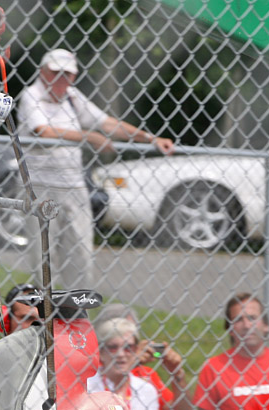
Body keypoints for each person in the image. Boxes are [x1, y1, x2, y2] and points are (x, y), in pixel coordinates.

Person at [17, 48, 175, 290]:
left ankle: (75, 311)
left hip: (74, 186)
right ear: (43, 72)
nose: (61, 79)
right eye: (55, 72)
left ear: (74, 77)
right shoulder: (31, 95)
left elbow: (107, 123)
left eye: (67, 74)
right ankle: (44, 313)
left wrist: (151, 138)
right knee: (42, 255)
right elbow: (43, 131)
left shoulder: (72, 97)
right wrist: (89, 137)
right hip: (39, 185)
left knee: (80, 252)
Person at [86, 317, 190, 410]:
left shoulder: (146, 388)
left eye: (128, 347)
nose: (121, 354)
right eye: (113, 347)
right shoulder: (86, 386)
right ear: (101, 352)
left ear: (136, 350)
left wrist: (177, 373)